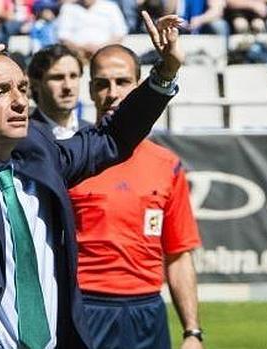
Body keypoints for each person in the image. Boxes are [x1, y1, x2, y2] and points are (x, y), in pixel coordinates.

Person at [0, 11, 184, 349]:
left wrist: (165, 71)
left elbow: (111, 138)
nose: (19, 102)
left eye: (23, 89)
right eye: (0, 91)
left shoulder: (41, 157)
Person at [67, 44, 203, 349]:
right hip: (84, 307)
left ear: (140, 86)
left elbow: (178, 254)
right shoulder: (70, 159)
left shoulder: (167, 165)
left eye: (123, 82)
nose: (112, 92)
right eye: (102, 83)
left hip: (147, 312)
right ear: (89, 91)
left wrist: (192, 331)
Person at [27, 44, 89, 140]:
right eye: (58, 78)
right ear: (35, 84)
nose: (68, 86)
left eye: (73, 76)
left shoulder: (92, 133)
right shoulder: (22, 136)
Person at [56, 0, 128, 60]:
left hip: (107, 55)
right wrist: (83, 48)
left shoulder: (110, 7)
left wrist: (100, 48)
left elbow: (119, 34)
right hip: (78, 56)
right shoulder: (68, 8)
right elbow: (63, 37)